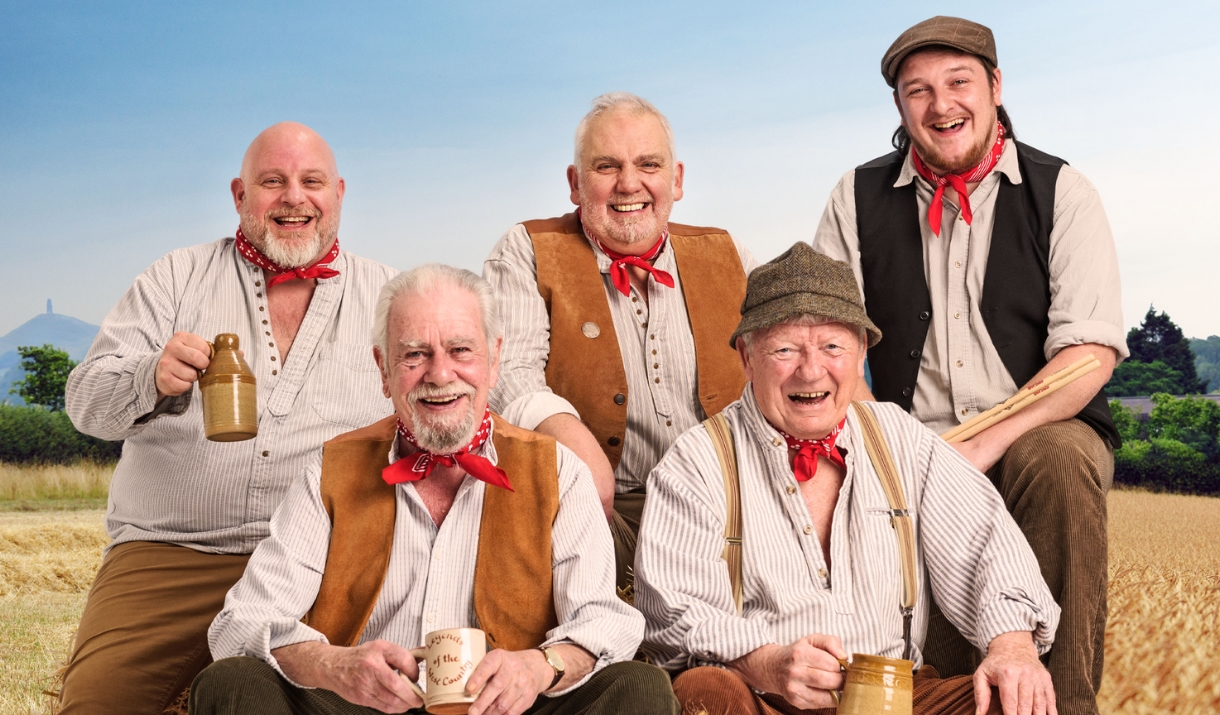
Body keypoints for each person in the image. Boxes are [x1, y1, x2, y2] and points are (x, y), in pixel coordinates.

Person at [811, 17, 1125, 715]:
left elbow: (1088, 356)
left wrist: (978, 445)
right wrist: (889, 452)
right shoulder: (854, 199)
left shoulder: (1062, 192)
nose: (940, 104)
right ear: (900, 108)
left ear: (995, 87)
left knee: (1059, 458)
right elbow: (832, 349)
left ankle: (1064, 705)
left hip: (1033, 434)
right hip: (905, 441)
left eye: (958, 82)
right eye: (918, 90)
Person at [191, 264, 676, 715]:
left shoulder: (558, 471)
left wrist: (537, 667)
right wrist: (334, 666)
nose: (440, 375)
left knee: (639, 688)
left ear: (495, 358)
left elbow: (603, 621)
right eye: (415, 355)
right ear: (383, 369)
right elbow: (241, 623)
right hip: (361, 706)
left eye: (461, 350)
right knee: (232, 682)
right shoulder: (330, 468)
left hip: (509, 711)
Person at [635, 243, 1061, 715]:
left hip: (895, 699)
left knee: (1011, 698)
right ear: (746, 355)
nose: (811, 370)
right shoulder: (697, 461)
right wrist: (771, 662)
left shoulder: (898, 437)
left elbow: (987, 544)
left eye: (833, 346)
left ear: (860, 354)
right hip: (762, 698)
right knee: (704, 691)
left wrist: (1013, 647)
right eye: (785, 349)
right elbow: (673, 613)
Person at [60, 122, 398, 714]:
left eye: (311, 181)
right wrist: (150, 376)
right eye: (273, 181)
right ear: (241, 197)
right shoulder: (174, 277)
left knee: (372, 696)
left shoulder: (390, 295)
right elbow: (85, 402)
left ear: (338, 193)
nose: (294, 196)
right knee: (96, 704)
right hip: (171, 554)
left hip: (325, 562)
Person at [484, 92, 757, 591]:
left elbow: (794, 357)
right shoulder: (526, 249)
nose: (629, 184)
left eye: (648, 164)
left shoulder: (729, 252)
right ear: (575, 183)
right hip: (600, 506)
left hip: (732, 504)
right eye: (606, 166)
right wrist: (571, 439)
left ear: (676, 179)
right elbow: (507, 371)